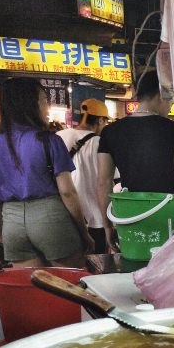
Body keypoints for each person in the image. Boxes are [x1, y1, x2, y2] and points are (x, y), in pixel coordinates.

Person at [0, 78, 93, 268]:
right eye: (43, 100)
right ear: (31, 104)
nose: (47, 106)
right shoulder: (49, 141)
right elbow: (67, 192)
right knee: (71, 288)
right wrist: (84, 234)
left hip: (12, 223)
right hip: (50, 219)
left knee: (32, 289)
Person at [97, 70, 174, 252]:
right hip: (167, 216)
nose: (170, 106)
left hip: (129, 217)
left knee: (134, 266)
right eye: (170, 99)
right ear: (160, 95)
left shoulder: (109, 132)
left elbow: (103, 182)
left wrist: (107, 225)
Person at [57, 99, 110, 253]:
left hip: (65, 217)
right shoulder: (101, 143)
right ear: (100, 120)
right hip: (96, 219)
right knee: (96, 267)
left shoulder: (59, 136)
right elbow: (109, 182)